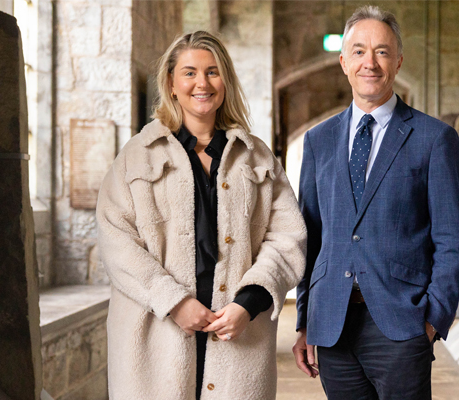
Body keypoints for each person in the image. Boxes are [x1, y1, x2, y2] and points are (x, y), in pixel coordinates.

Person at [96, 31, 306, 400]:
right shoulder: (136, 156)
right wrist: (173, 301)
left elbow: (288, 236)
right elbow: (117, 242)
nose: (202, 83)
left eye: (212, 72)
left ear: (225, 81)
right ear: (172, 84)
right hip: (156, 337)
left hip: (238, 334)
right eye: (189, 72)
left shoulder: (256, 156)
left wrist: (249, 302)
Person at [292, 5, 459, 399]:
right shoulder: (318, 141)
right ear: (343, 62)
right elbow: (310, 235)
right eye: (358, 51)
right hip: (332, 324)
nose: (369, 62)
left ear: (399, 61)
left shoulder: (434, 139)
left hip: (401, 325)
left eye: (382, 51)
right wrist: (305, 319)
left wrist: (432, 320)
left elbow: (452, 240)